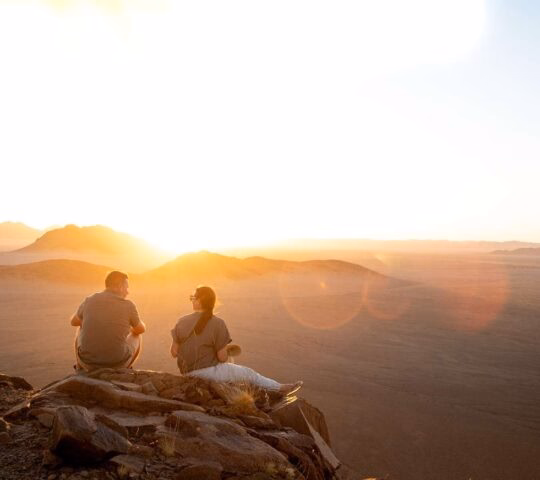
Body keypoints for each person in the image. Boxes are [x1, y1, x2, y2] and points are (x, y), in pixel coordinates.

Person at [170, 285, 302, 394]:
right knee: (248, 373)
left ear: (200, 301)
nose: (191, 300)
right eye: (191, 298)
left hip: (186, 373)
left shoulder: (181, 321)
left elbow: (174, 353)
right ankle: (279, 388)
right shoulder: (218, 323)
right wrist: (225, 350)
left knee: (232, 372)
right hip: (207, 374)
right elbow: (222, 358)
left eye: (193, 298)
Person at [71, 271, 146, 371]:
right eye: (126, 287)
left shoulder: (90, 300)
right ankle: (127, 368)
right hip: (117, 365)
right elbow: (140, 329)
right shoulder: (128, 305)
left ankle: (79, 367)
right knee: (137, 335)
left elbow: (74, 321)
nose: (128, 292)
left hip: (88, 364)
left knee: (81, 326)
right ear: (120, 286)